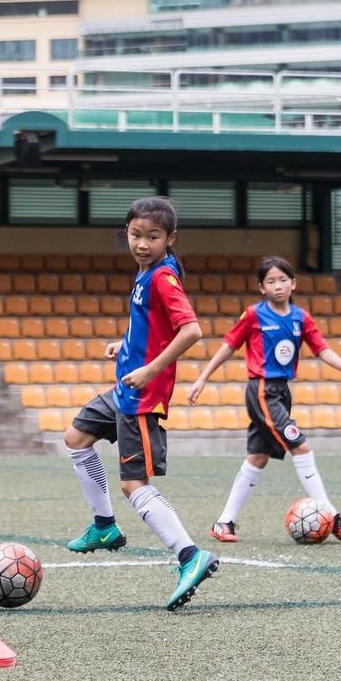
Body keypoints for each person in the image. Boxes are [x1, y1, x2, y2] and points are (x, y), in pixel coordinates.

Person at [62, 196, 218, 611]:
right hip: (124, 389)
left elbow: (191, 331)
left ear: (170, 239)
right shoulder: (145, 273)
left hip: (142, 397)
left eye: (153, 236)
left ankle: (190, 554)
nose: (142, 243)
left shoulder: (164, 278)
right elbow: (148, 323)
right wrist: (126, 344)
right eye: (135, 235)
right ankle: (104, 527)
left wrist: (149, 369)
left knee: (134, 484)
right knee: (76, 437)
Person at [187, 256, 341, 543]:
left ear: (293, 283)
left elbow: (321, 349)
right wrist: (202, 378)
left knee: (258, 458)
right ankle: (332, 517)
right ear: (262, 288)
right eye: (271, 281)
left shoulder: (301, 318)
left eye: (283, 280)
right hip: (262, 390)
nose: (278, 286)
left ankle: (224, 523)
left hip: (282, 391)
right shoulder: (254, 315)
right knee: (301, 447)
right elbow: (228, 347)